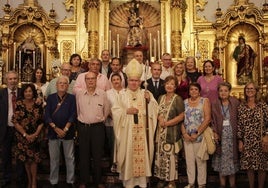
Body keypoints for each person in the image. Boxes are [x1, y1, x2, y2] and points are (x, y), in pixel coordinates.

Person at [112, 59, 158, 188]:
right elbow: (115, 111)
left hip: (142, 132)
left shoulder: (146, 93)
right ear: (127, 81)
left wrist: (150, 102)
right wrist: (126, 111)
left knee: (142, 155)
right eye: (131, 80)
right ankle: (129, 182)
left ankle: (142, 183)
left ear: (140, 81)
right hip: (127, 133)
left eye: (136, 80)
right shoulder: (122, 94)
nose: (133, 83)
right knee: (129, 154)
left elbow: (155, 110)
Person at [76, 71, 110, 188]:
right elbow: (77, 110)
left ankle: (98, 181)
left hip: (97, 128)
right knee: (83, 155)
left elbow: (106, 111)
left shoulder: (102, 94)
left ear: (96, 80)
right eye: (88, 79)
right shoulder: (79, 94)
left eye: (93, 79)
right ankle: (83, 181)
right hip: (83, 127)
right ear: (85, 81)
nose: (90, 81)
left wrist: (100, 119)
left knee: (97, 155)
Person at [44, 76, 77, 188]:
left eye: (65, 83)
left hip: (68, 132)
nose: (62, 85)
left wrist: (65, 129)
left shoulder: (72, 98)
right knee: (54, 159)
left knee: (69, 158)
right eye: (60, 83)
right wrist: (55, 128)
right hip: (53, 133)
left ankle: (70, 181)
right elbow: (47, 115)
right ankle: (53, 181)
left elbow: (73, 114)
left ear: (68, 86)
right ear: (56, 85)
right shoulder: (51, 98)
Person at [154, 75, 184, 188]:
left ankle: (171, 181)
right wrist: (160, 119)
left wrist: (167, 123)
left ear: (175, 86)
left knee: (171, 157)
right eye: (167, 83)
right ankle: (161, 178)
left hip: (172, 132)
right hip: (160, 133)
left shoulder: (178, 99)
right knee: (160, 156)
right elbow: (156, 111)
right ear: (164, 85)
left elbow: (181, 116)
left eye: (172, 84)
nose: (169, 86)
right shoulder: (160, 97)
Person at [12, 83, 44, 188]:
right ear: (23, 93)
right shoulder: (19, 104)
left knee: (34, 161)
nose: (28, 93)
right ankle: (29, 181)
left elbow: (41, 122)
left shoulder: (38, 104)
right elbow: (15, 121)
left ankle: (34, 182)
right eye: (26, 91)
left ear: (33, 92)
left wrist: (35, 135)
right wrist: (25, 135)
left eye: (30, 91)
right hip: (22, 137)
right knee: (26, 160)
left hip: (35, 137)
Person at [237, 82, 268, 188]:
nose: (249, 90)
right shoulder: (241, 107)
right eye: (247, 89)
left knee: (261, 166)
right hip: (247, 140)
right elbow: (239, 125)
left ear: (256, 90)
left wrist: (266, 136)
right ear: (245, 91)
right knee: (249, 166)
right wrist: (240, 140)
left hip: (261, 140)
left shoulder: (262, 105)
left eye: (252, 88)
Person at [182, 82, 211, 188]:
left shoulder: (204, 101)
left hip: (199, 136)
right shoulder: (184, 102)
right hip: (187, 137)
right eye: (191, 89)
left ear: (199, 91)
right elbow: (181, 119)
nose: (193, 91)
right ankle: (191, 183)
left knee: (200, 160)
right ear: (189, 92)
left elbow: (207, 119)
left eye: (196, 89)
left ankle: (202, 184)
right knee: (189, 161)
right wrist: (184, 133)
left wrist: (197, 133)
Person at [211, 82, 240, 188]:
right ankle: (222, 184)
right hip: (220, 136)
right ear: (218, 92)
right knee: (221, 161)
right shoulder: (215, 104)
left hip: (232, 138)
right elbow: (212, 120)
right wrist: (214, 132)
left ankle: (232, 184)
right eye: (221, 91)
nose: (223, 93)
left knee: (232, 161)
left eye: (225, 91)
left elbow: (239, 119)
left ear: (229, 92)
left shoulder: (235, 102)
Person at [0, 71, 26, 187]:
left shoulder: (23, 93)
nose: (13, 81)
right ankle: (7, 177)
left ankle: (20, 177)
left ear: (18, 79)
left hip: (20, 129)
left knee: (20, 155)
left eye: (15, 78)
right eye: (10, 79)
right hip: (5, 129)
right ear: (6, 80)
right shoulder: (1, 93)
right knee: (6, 155)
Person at [106, 73, 124, 171]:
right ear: (111, 81)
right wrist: (113, 117)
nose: (116, 81)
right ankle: (113, 163)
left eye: (118, 79)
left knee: (122, 143)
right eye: (114, 80)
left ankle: (122, 163)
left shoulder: (126, 92)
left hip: (124, 123)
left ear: (121, 81)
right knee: (112, 143)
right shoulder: (108, 93)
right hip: (111, 123)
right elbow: (107, 107)